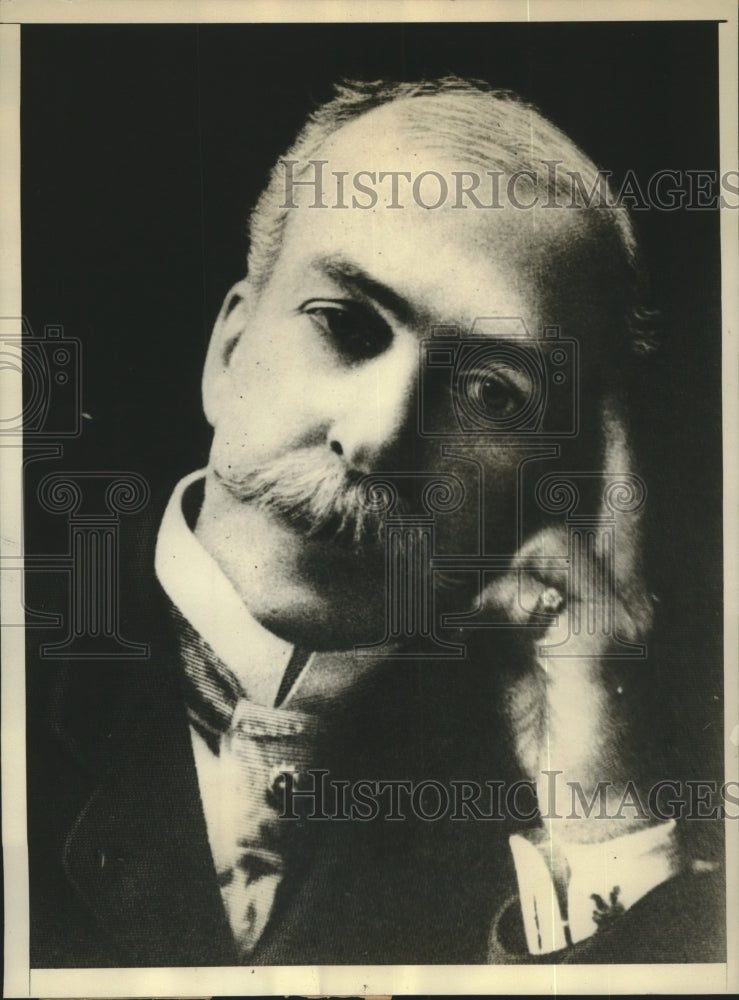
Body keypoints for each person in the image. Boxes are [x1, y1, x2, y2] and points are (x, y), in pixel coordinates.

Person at [26, 77, 725, 967]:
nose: (381, 436)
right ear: (229, 350)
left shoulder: (535, 772)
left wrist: (601, 824)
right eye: (346, 325)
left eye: (486, 392)